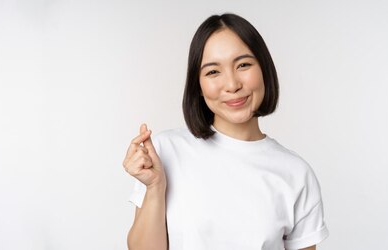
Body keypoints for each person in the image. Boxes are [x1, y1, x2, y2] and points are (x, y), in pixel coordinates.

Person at [123, 13, 328, 250]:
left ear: (263, 69)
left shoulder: (296, 173)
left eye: (243, 65)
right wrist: (155, 186)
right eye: (213, 72)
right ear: (197, 85)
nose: (232, 85)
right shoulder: (165, 151)